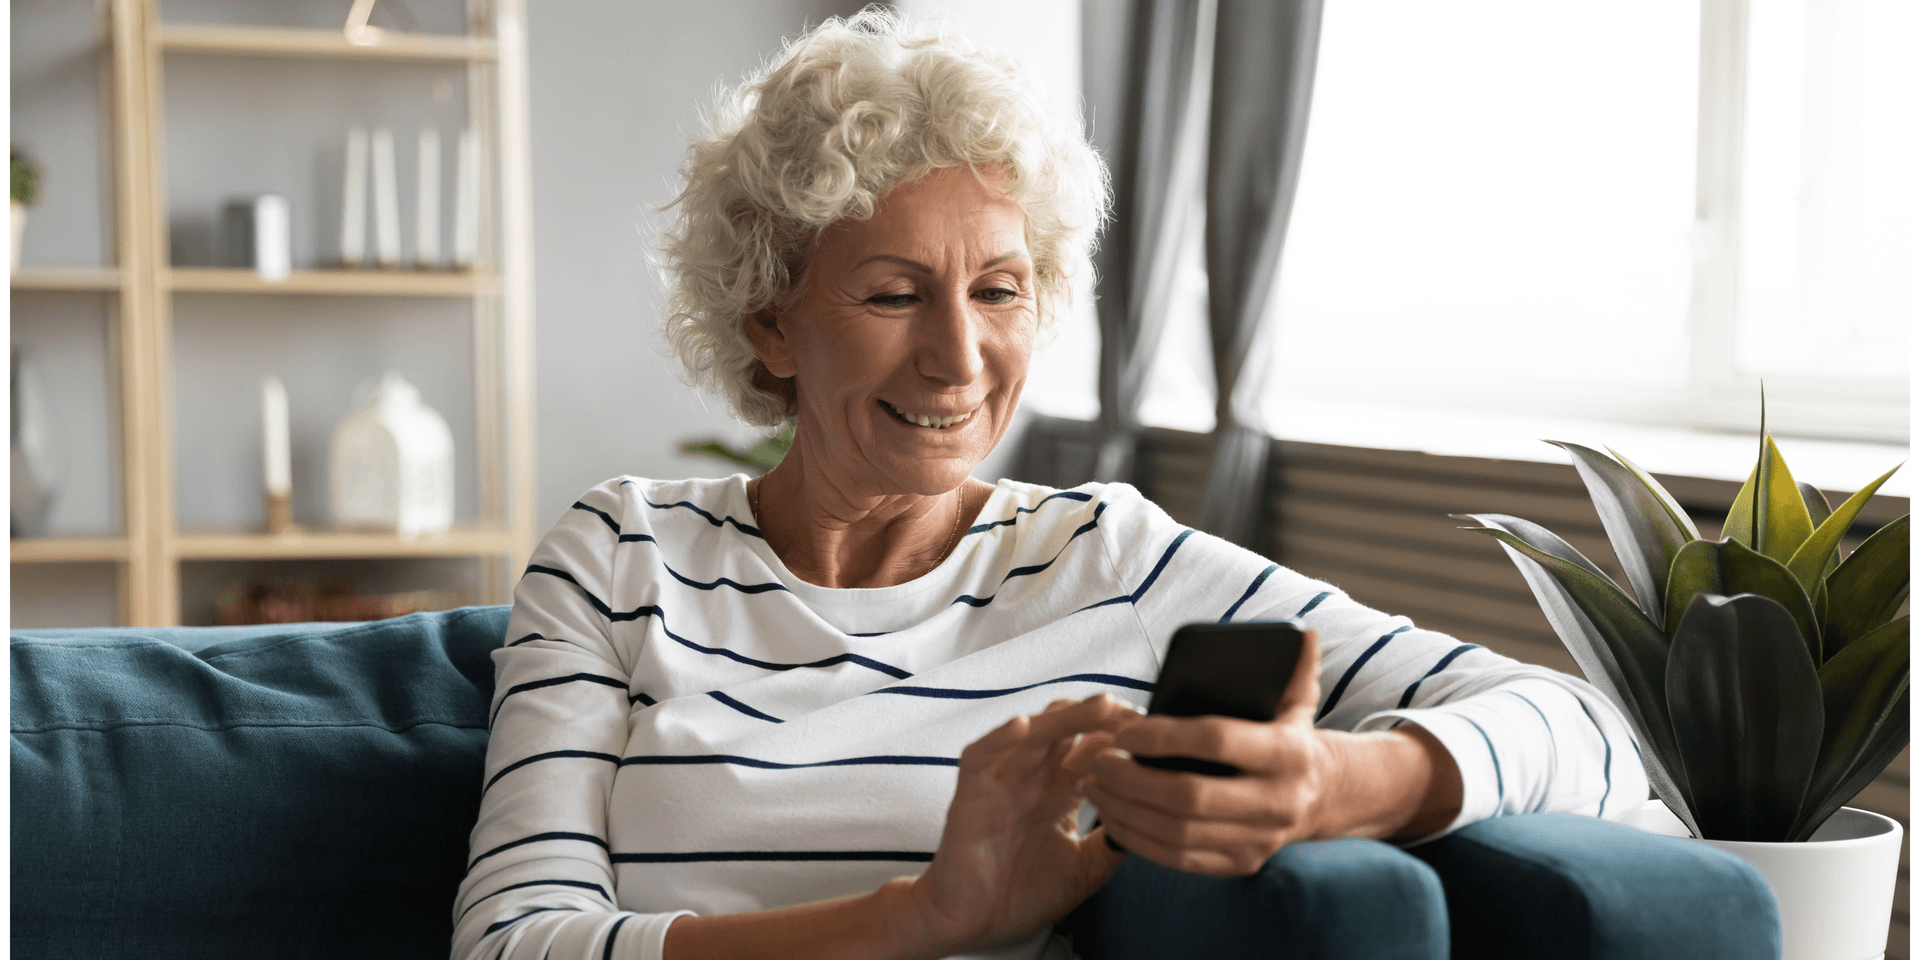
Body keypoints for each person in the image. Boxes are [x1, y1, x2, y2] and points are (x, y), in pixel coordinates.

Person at [453, 12, 1646, 960]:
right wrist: (921, 919)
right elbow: (512, 940)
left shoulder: (1110, 561)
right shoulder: (621, 553)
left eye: (1000, 291)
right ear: (772, 323)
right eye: (894, 294)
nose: (960, 360)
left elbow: (1587, 731)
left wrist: (1336, 781)